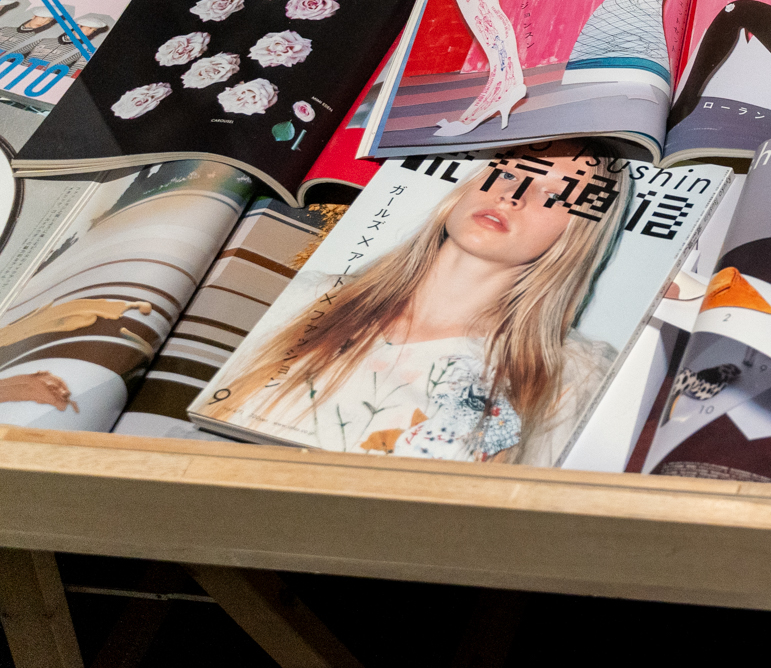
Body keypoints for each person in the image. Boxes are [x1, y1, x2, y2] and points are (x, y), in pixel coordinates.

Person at [206, 144, 628, 465]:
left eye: (554, 195)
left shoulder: (568, 375)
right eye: (506, 173)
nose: (511, 196)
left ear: (580, 233)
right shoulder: (311, 296)